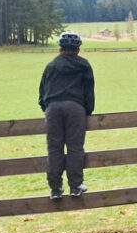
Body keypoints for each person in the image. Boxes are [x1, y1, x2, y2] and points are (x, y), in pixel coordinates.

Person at [39, 31, 95, 200]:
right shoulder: (84, 65)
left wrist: (46, 107)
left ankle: (55, 188)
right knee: (75, 148)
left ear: (59, 49)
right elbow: (89, 92)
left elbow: (42, 91)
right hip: (75, 108)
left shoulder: (51, 66)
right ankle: (75, 186)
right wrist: (88, 111)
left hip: (53, 109)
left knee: (54, 148)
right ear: (78, 50)